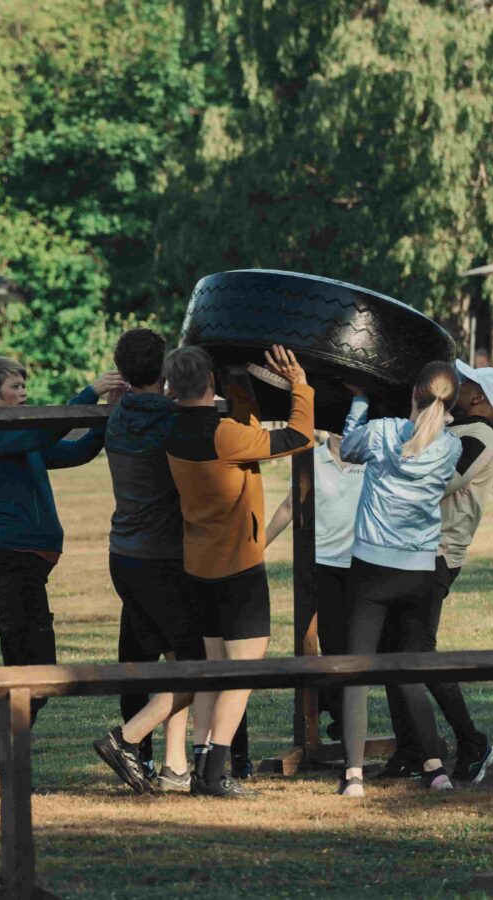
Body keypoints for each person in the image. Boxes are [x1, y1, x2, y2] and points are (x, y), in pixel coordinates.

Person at [161, 345, 313, 798]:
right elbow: (299, 437)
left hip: (200, 566)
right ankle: (214, 771)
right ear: (210, 383)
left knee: (214, 670)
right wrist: (300, 386)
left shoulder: (175, 431)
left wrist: (241, 392)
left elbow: (241, 432)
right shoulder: (224, 436)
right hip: (239, 569)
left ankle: (202, 765)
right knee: (242, 672)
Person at [0, 356, 127, 773]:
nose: (24, 394)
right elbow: (49, 427)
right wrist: (90, 394)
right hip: (10, 566)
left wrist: (106, 415)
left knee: (30, 670)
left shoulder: (21, 439)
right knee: (34, 672)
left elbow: (77, 451)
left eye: (24, 386)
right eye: (15, 388)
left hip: (25, 568)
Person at [379, 361, 493, 784]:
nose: (455, 386)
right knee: (396, 654)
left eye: (464, 383)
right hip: (417, 551)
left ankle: (472, 742)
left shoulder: (481, 438)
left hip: (436, 556)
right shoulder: (463, 430)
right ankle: (413, 748)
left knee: (417, 654)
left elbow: (438, 481)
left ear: (478, 398)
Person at [337, 362, 462, 798]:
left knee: (357, 670)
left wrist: (360, 399)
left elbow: (348, 449)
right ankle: (434, 767)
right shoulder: (452, 448)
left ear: (412, 392)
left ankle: (353, 775)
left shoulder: (384, 431)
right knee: (408, 668)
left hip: (372, 568)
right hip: (419, 572)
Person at [93, 329, 204, 794]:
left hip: (125, 556)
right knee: (196, 666)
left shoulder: (116, 417)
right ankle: (126, 738)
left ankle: (175, 768)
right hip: (164, 558)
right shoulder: (174, 422)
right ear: (163, 372)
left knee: (173, 658)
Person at [266, 431, 366, 742]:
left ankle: (327, 701)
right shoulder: (314, 459)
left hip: (363, 566)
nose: (343, 431)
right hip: (324, 567)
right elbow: (288, 506)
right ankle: (339, 715)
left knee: (360, 649)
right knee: (336, 645)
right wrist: (258, 550)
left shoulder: (369, 458)